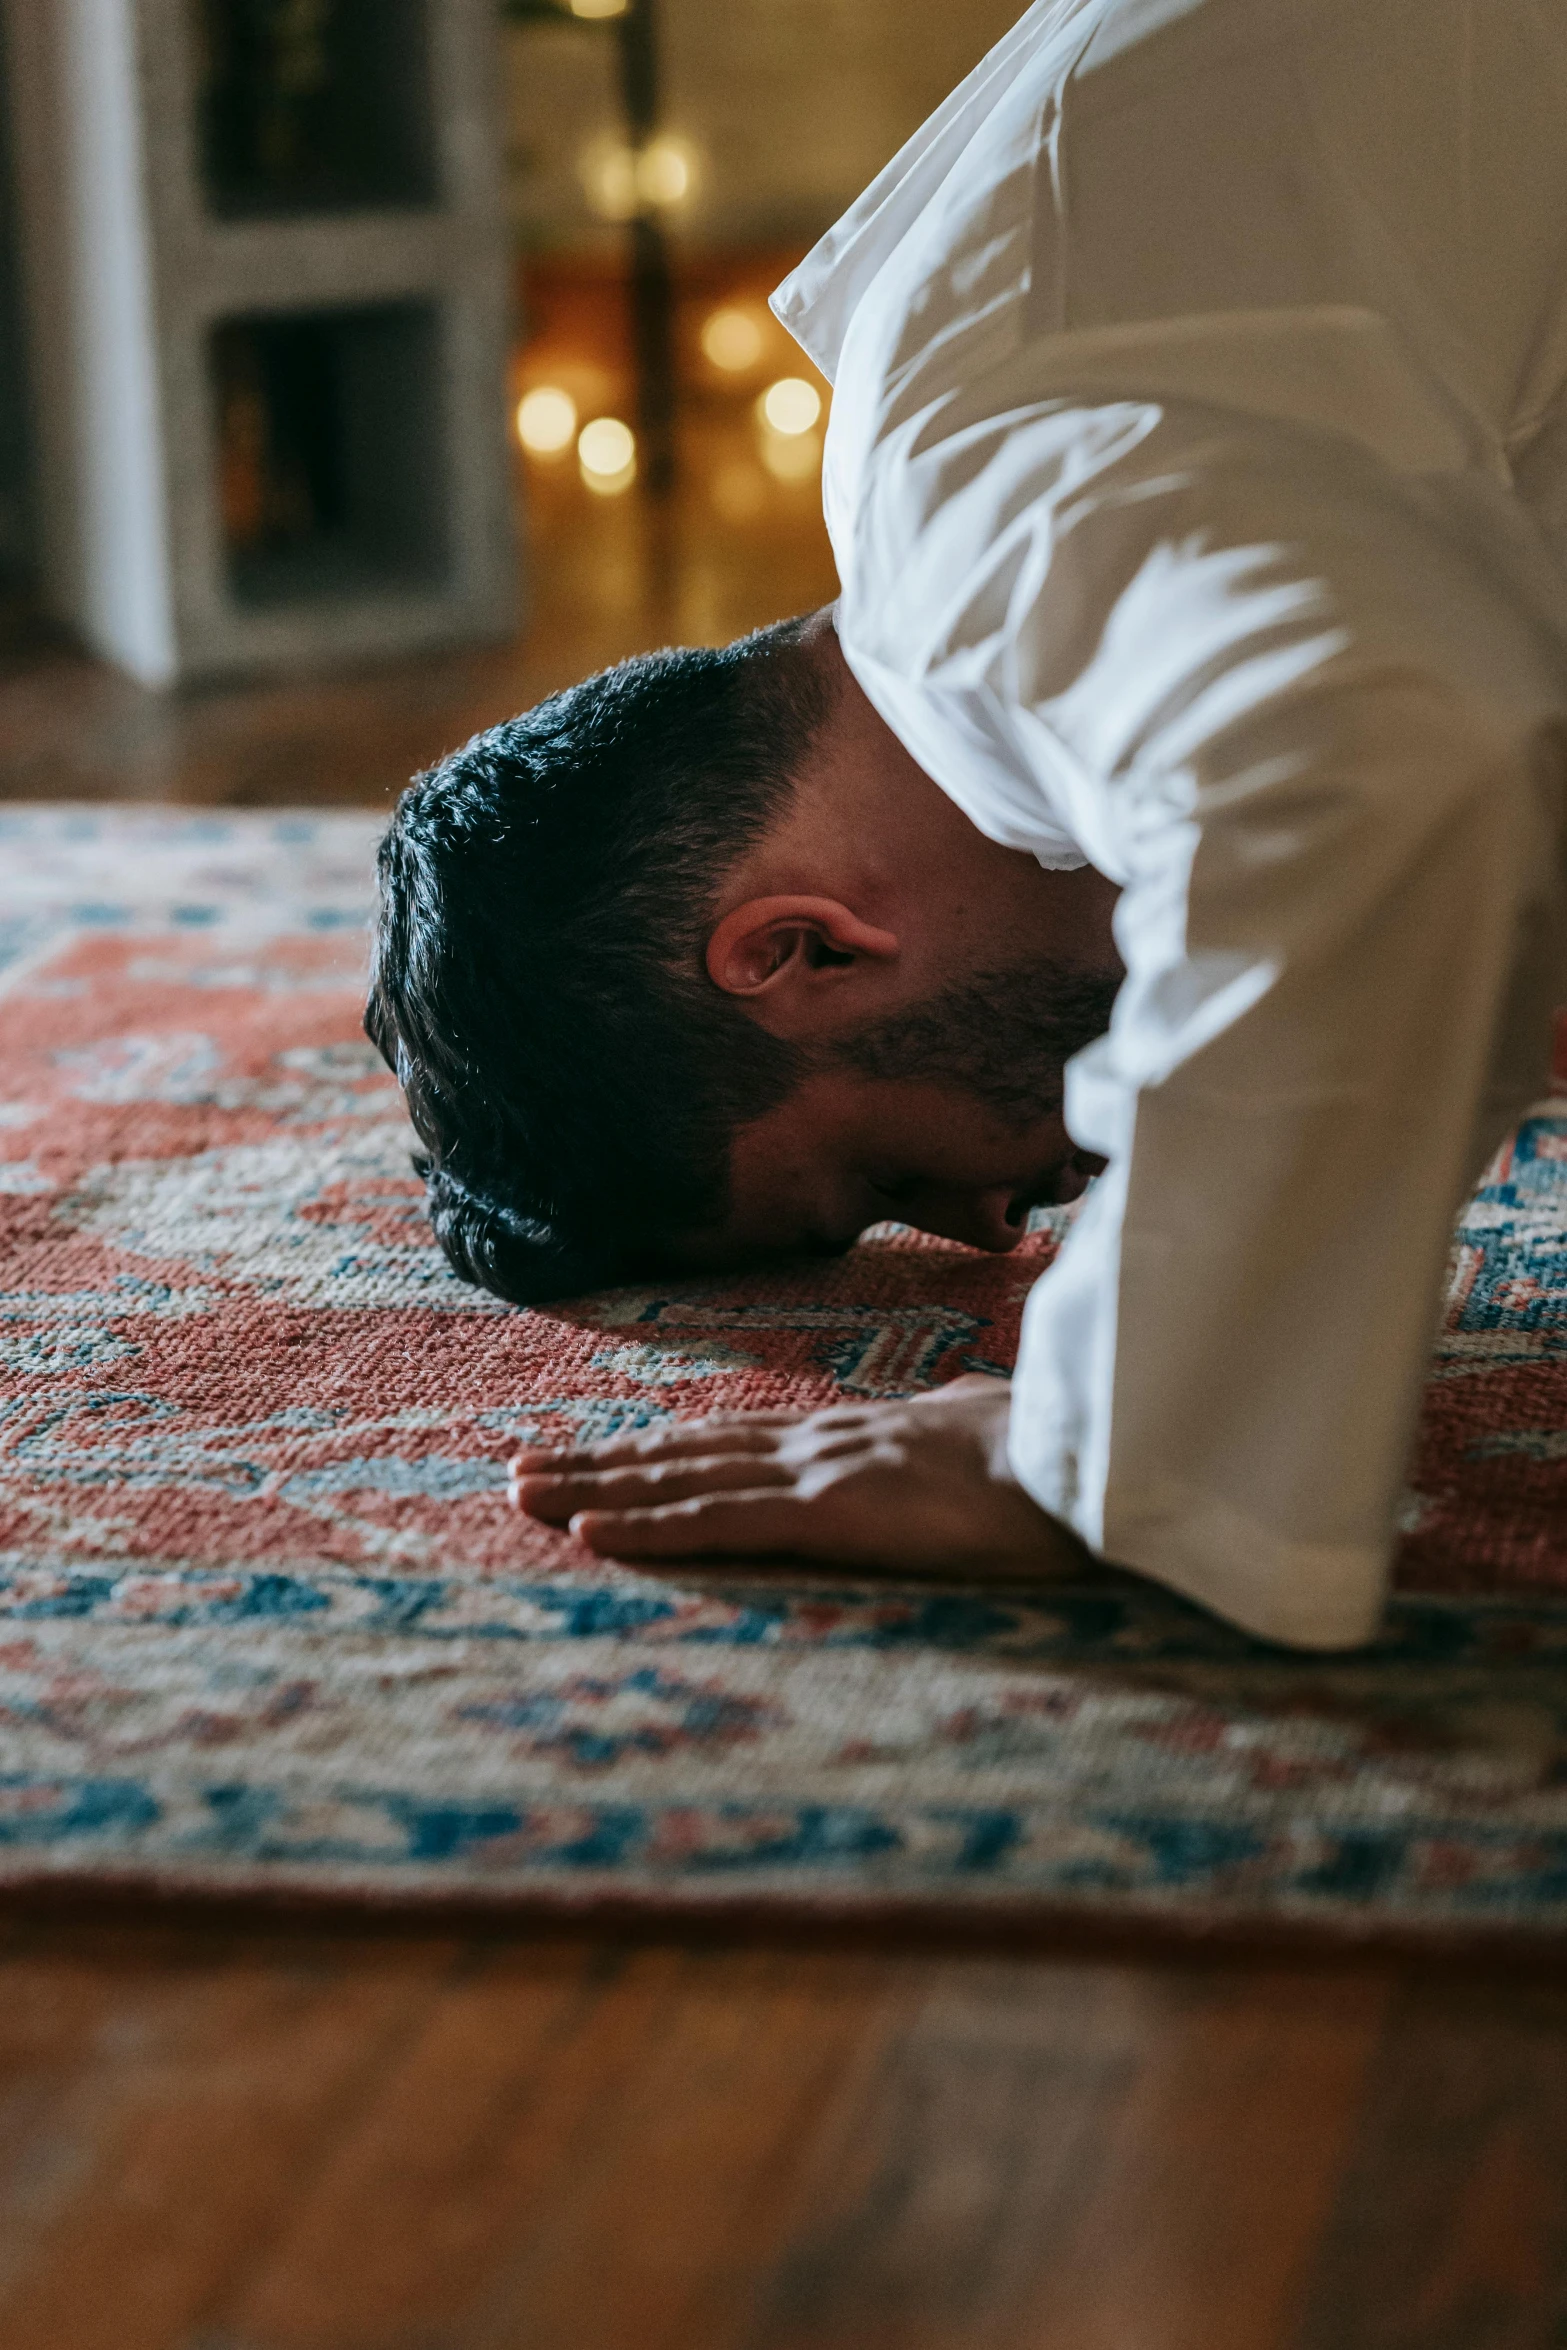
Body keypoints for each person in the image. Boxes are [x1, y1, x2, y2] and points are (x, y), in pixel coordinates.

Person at [368, 0, 1567, 1648]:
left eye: (865, 1177)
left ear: (791, 947)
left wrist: (1093, 1442)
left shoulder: (982, 522)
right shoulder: (958, 451)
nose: (996, 1228)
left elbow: (1381, 763)